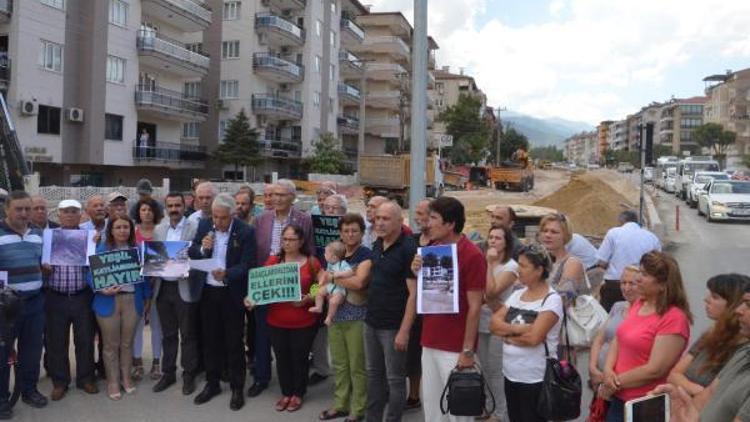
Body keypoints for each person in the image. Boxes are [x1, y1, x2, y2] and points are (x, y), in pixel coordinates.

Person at [410, 196, 486, 422]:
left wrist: (467, 351)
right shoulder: (433, 249)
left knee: (458, 411)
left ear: (450, 223)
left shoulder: (472, 255)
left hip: (455, 346)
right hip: (430, 340)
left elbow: (475, 307)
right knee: (433, 407)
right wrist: (417, 271)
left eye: (433, 218)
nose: (427, 223)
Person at [600, 251, 692, 422]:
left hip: (646, 403)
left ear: (663, 285)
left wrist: (614, 383)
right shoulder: (640, 304)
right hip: (619, 398)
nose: (638, 279)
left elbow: (655, 369)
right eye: (641, 272)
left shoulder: (674, 318)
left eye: (646, 275)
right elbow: (619, 338)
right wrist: (607, 371)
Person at [650, 276, 750, 422]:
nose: (739, 310)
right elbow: (708, 391)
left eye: (747, 304)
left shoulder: (739, 348)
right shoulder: (742, 353)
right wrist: (683, 403)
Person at [190, 193, 256, 411]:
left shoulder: (245, 231)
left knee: (234, 342)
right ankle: (212, 383)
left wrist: (227, 273)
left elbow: (248, 264)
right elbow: (192, 252)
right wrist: (202, 248)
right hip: (208, 292)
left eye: (222, 218)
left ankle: (237, 387)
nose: (217, 222)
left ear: (233, 215)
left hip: (231, 294)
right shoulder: (204, 226)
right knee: (210, 340)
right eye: (215, 217)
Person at [246, 224, 321, 413]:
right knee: (282, 358)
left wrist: (310, 297)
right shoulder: (274, 260)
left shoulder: (312, 262)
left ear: (301, 241)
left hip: (303, 321)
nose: (287, 243)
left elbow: (320, 284)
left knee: (299, 358)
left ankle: (298, 393)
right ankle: (286, 392)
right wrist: (252, 298)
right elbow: (260, 286)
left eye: (291, 239)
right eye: (284, 239)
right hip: (276, 321)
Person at [252, 180, 314, 397]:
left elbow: (313, 259)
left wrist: (310, 295)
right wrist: (255, 289)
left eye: (282, 195)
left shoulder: (304, 219)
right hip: (267, 283)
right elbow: (256, 253)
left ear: (292, 197)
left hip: (296, 287)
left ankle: (296, 391)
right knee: (263, 336)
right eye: (273, 194)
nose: (276, 198)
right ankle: (261, 378)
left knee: (295, 349)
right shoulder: (261, 219)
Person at [490, 243, 564, 422]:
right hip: (511, 374)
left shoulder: (551, 300)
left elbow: (534, 338)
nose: (518, 269)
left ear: (539, 270)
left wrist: (506, 335)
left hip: (535, 379)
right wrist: (517, 329)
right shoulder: (517, 295)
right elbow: (493, 324)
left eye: (523, 266)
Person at [364, 201, 417, 422]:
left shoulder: (408, 249)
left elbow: (413, 294)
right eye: (377, 218)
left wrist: (404, 330)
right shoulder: (377, 244)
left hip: (393, 326)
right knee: (374, 375)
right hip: (371, 322)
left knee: (395, 379)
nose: (380, 223)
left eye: (386, 219)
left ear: (399, 221)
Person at [90, 214, 152, 401]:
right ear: (111, 230)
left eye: (126, 227)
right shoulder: (101, 249)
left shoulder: (138, 250)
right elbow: (90, 275)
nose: (122, 230)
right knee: (110, 345)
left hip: (132, 300)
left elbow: (146, 277)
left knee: (127, 343)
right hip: (108, 301)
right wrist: (101, 289)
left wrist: (147, 298)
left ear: (131, 230)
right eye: (118, 227)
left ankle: (126, 378)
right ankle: (113, 381)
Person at [43, 199, 98, 401]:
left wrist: (94, 246)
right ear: (58, 215)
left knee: (85, 340)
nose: (69, 215)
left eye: (74, 211)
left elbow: (95, 263)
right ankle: (60, 382)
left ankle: (85, 379)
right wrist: (45, 267)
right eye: (65, 212)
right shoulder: (49, 237)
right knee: (57, 342)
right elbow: (41, 263)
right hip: (55, 296)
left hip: (81, 295)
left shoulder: (88, 237)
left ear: (80, 215)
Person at [0, 191, 49, 417]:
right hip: (6, 307)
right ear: (6, 210)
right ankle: (2, 398)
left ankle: (29, 390)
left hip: (35, 302)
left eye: (27, 209)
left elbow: (43, 263)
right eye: (18, 209)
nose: (24, 213)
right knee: (3, 353)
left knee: (31, 351)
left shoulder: (39, 235)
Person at [319, 213, 371, 422]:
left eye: (354, 230)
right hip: (335, 318)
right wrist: (312, 294)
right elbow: (320, 281)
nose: (350, 234)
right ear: (340, 232)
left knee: (357, 365)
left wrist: (332, 278)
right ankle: (341, 403)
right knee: (339, 364)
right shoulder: (334, 253)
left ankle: (358, 408)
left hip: (356, 316)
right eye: (346, 230)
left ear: (362, 232)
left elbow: (359, 284)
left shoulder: (365, 255)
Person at [667, 274, 750, 396]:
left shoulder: (742, 349)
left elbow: (716, 396)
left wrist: (688, 388)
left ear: (734, 304)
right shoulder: (710, 334)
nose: (706, 299)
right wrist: (696, 390)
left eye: (715, 297)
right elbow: (674, 374)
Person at [151, 192, 201, 395]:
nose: (174, 209)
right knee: (168, 335)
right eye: (170, 206)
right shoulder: (158, 229)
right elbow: (155, 257)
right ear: (166, 207)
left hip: (185, 287)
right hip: (163, 288)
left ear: (184, 206)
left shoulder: (194, 227)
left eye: (177, 205)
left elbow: (199, 255)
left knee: (188, 335)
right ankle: (168, 373)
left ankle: (189, 375)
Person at [480, 225, 519, 421]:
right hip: (481, 320)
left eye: (498, 238)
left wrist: (488, 264)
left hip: (499, 322)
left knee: (496, 369)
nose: (493, 241)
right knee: (484, 367)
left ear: (506, 243)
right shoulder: (484, 261)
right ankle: (488, 405)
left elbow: (491, 291)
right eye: (491, 237)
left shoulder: (510, 266)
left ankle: (500, 412)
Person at [596, 210, 661, 312]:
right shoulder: (652, 237)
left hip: (614, 286)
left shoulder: (614, 233)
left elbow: (601, 262)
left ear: (621, 221)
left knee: (609, 318)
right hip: (642, 287)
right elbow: (658, 265)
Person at [589, 266, 640, 388]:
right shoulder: (618, 306)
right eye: (623, 283)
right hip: (600, 375)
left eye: (632, 284)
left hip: (619, 380)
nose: (626, 288)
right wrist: (592, 367)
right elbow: (599, 339)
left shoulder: (645, 315)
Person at [132, 198, 164, 382]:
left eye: (150, 210)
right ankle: (137, 363)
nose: (147, 213)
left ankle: (157, 362)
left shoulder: (161, 232)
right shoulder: (132, 233)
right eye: (143, 209)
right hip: (138, 285)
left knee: (156, 325)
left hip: (159, 283)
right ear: (138, 212)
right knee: (136, 325)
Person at [406, 199, 432, 411]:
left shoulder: (441, 243)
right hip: (412, 305)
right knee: (413, 353)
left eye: (421, 213)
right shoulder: (411, 240)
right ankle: (414, 395)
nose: (417, 217)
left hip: (433, 307)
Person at [539, 214, 589, 299]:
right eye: (544, 231)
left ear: (565, 236)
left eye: (554, 232)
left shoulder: (572, 263)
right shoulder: (540, 260)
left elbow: (562, 298)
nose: (547, 235)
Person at [309, 241, 355, 325]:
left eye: (326, 253)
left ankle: (329, 317)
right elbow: (326, 273)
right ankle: (319, 307)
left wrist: (339, 274)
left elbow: (350, 272)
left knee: (333, 302)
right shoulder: (330, 264)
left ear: (334, 257)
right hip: (330, 287)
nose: (324, 255)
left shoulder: (343, 264)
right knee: (319, 293)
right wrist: (320, 284)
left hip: (339, 290)